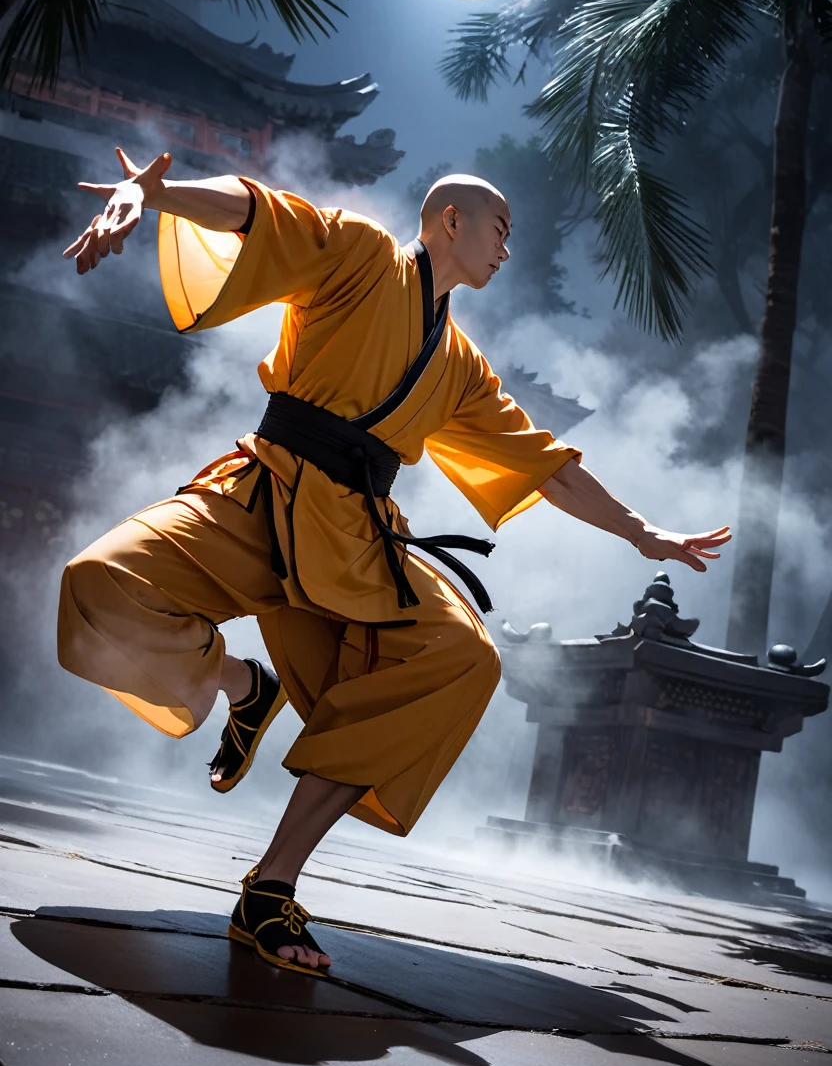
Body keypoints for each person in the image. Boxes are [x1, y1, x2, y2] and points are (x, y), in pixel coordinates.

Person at [58, 148, 730, 978]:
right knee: (96, 586)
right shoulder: (361, 254)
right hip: (261, 495)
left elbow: (545, 463)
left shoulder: (458, 365)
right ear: (452, 221)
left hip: (356, 541)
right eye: (500, 230)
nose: (507, 249)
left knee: (460, 657)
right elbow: (256, 209)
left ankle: (272, 887)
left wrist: (642, 532)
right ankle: (243, 687)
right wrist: (155, 192)